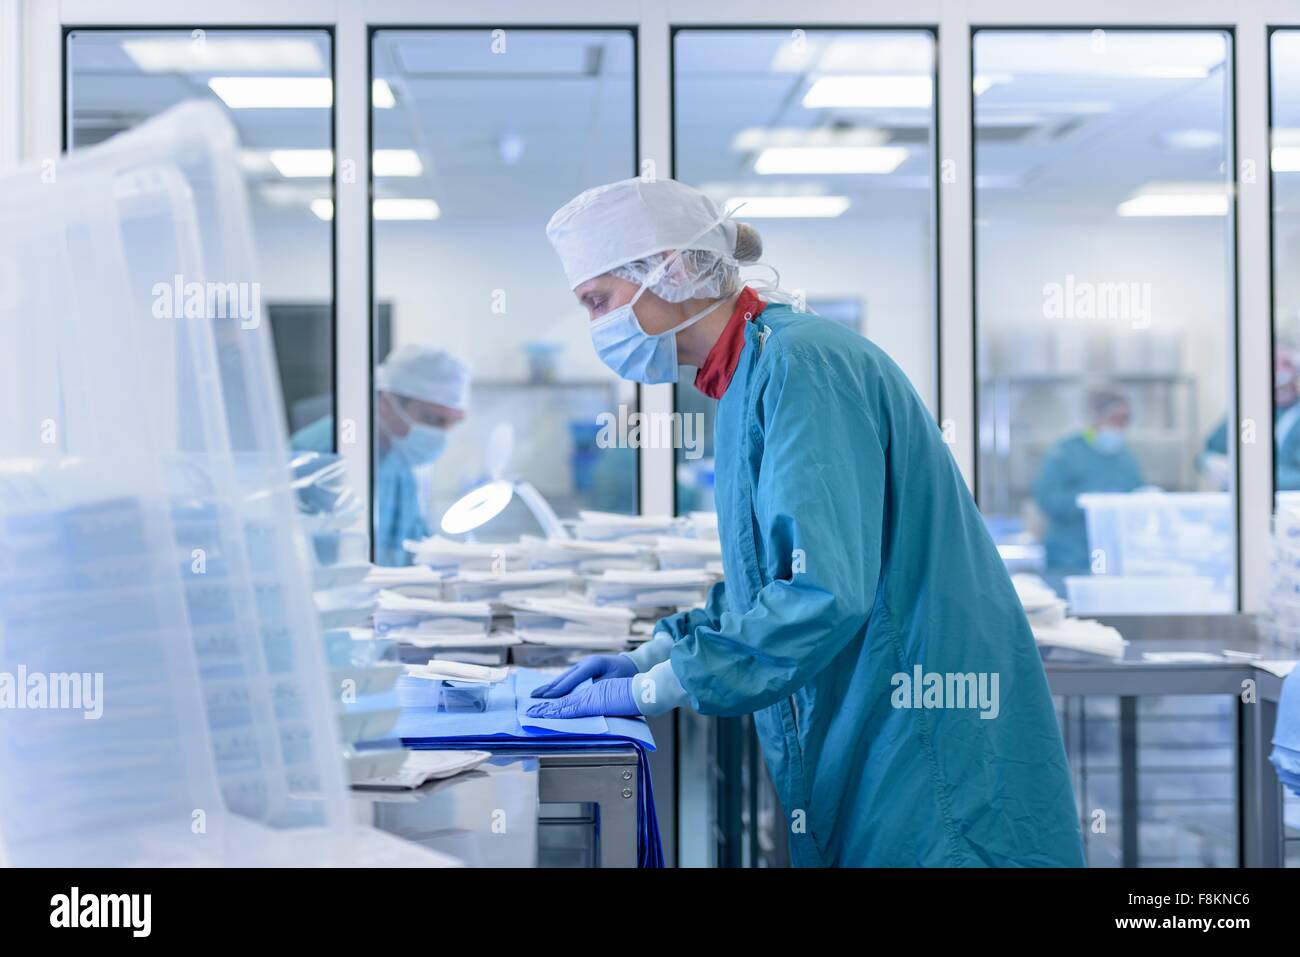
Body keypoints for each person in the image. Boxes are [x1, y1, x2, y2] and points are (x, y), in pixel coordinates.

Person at [529, 177, 1084, 867]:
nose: (597, 328)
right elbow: (767, 578)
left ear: (668, 270)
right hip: (876, 718)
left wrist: (654, 688)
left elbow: (821, 591)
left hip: (926, 737)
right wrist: (655, 654)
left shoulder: (802, 364)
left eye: (598, 301)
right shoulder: (746, 378)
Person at [291, 344, 470, 566]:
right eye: (434, 420)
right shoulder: (322, 452)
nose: (442, 435)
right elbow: (303, 559)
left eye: (453, 422)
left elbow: (416, 546)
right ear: (387, 403)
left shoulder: (399, 458)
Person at [1032, 390, 1143, 584]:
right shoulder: (1065, 452)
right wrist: (1091, 502)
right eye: (1114, 418)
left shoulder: (1125, 457)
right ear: (1095, 418)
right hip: (1069, 558)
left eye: (1124, 420)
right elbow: (1048, 499)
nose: (1119, 427)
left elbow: (1134, 497)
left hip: (1108, 559)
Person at [1201, 350, 1300, 491]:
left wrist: (1254, 480)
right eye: (1272, 363)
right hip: (1242, 506)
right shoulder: (1246, 412)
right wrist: (1209, 462)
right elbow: (1208, 452)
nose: (1278, 369)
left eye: (1286, 363)